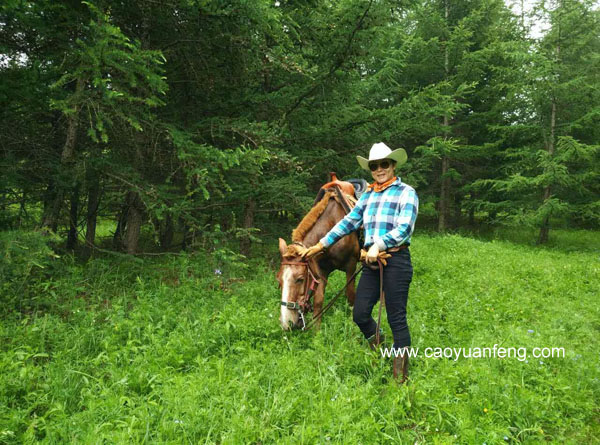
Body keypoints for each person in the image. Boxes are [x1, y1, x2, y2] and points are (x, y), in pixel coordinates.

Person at [302, 142, 418, 383]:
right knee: (360, 314)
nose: (379, 169)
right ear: (371, 169)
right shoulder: (368, 196)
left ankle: (401, 378)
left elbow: (405, 228)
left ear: (393, 165)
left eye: (384, 164)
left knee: (396, 317)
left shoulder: (406, 192)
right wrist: (322, 244)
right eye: (374, 166)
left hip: (395, 260)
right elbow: (349, 222)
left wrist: (378, 244)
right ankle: (382, 349)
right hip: (371, 263)